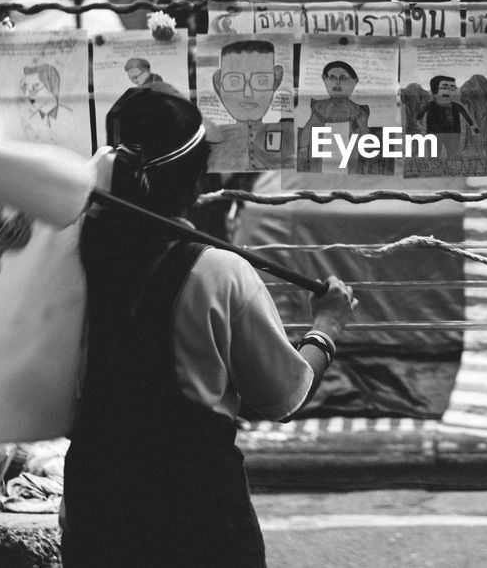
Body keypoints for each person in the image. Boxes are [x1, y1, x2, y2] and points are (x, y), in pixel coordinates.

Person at [61, 85, 356, 566]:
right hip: (196, 517)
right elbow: (283, 395)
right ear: (195, 180)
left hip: (98, 504)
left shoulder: (67, 260)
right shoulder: (219, 272)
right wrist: (326, 325)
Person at [209, 39, 294, 172]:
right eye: (234, 82)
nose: (247, 94)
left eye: (261, 81)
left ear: (276, 80)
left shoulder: (289, 137)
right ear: (219, 84)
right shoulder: (212, 143)